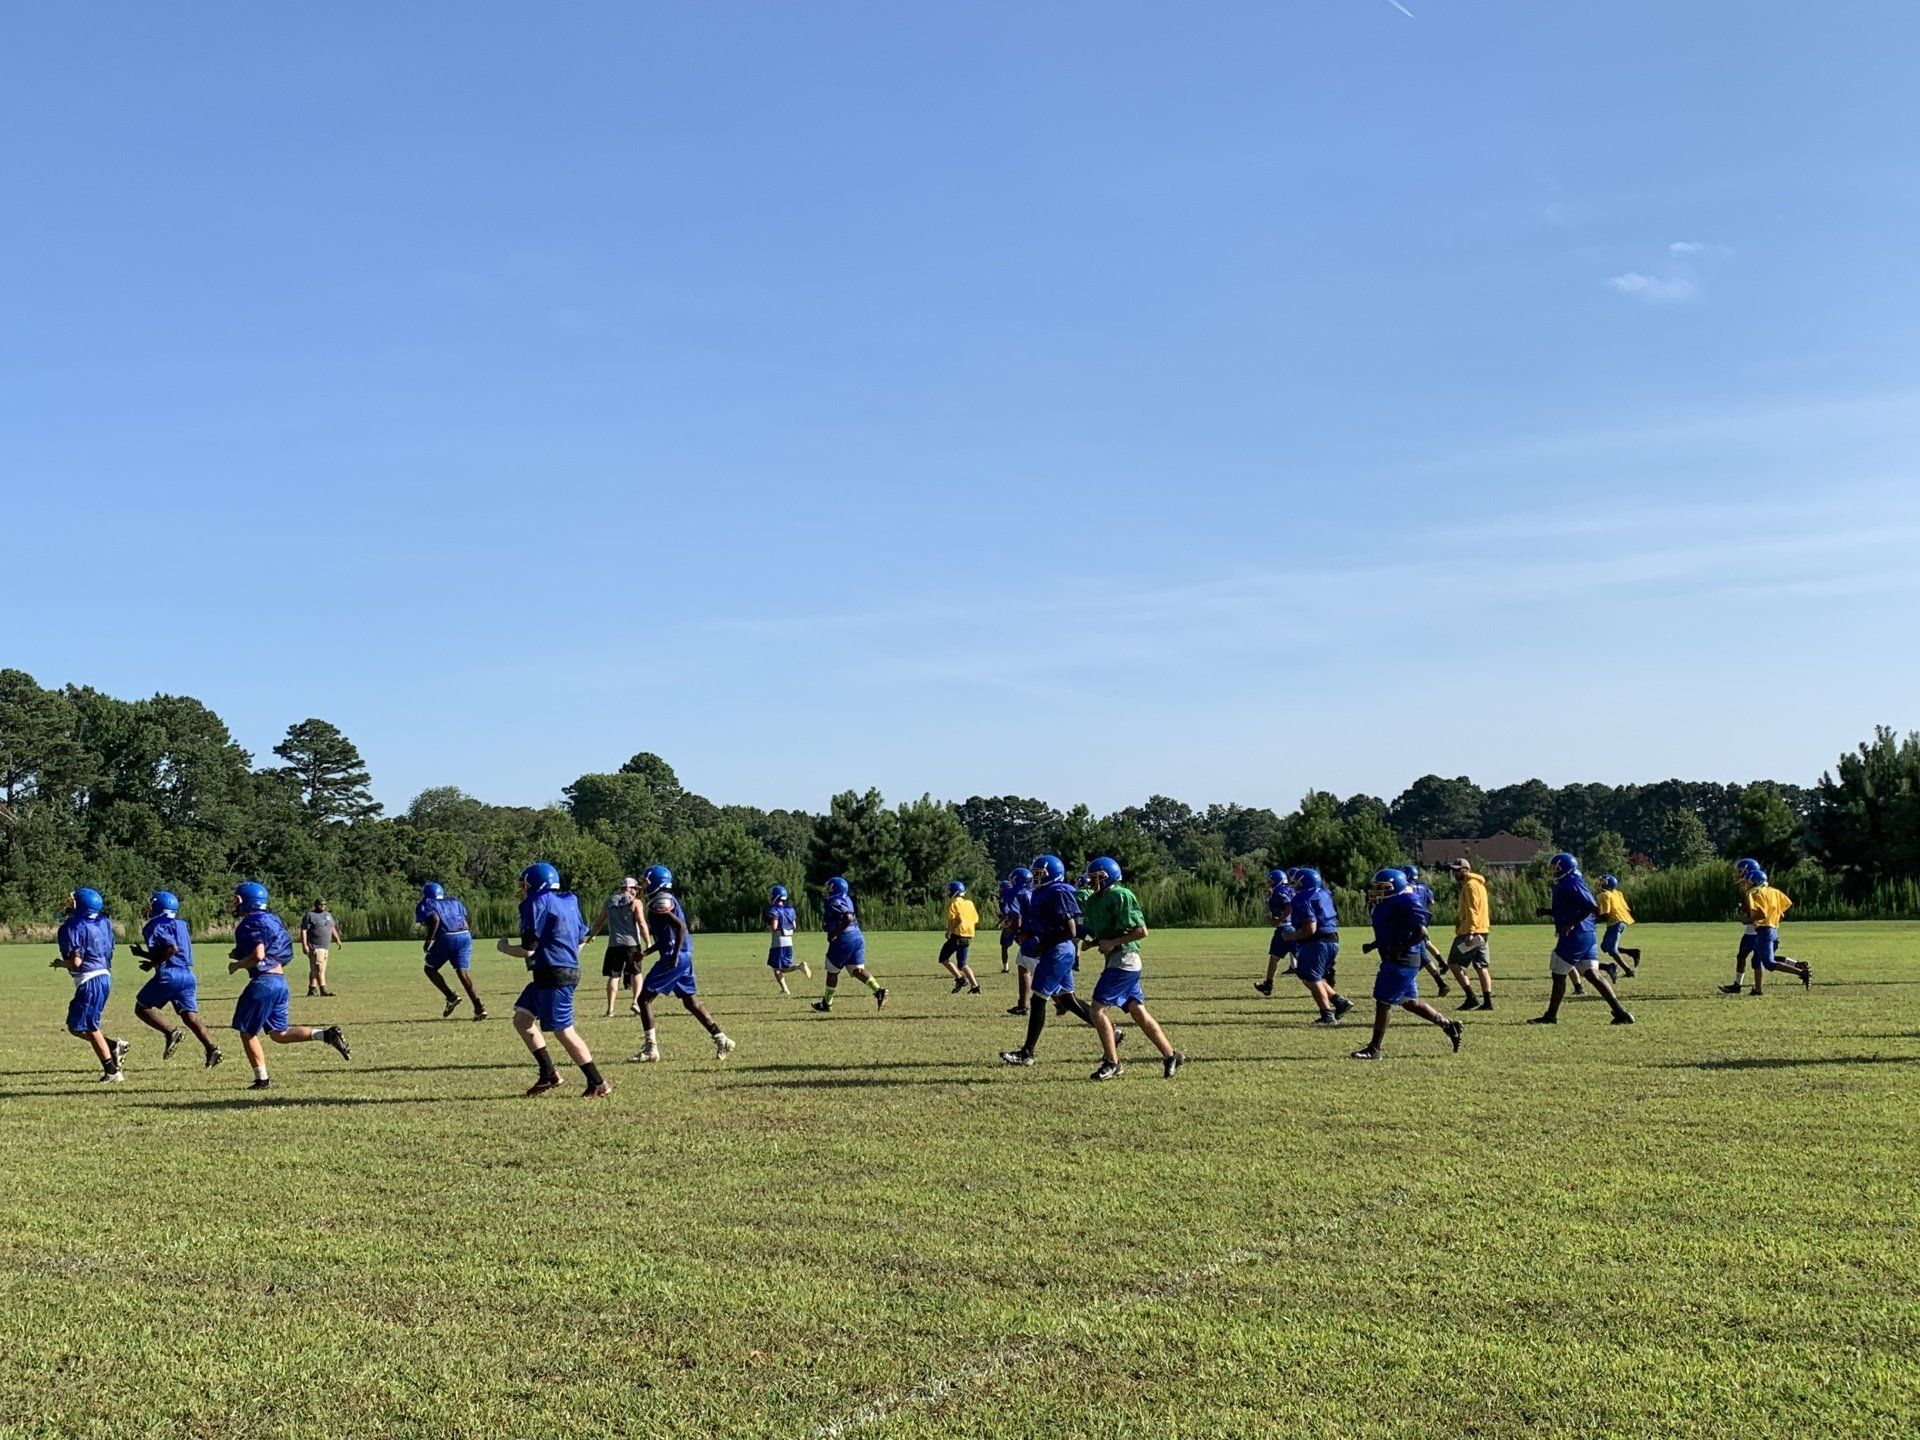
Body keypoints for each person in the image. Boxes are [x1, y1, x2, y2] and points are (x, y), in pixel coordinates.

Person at [498, 862, 609, 1097]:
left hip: (554, 974)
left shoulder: (537, 902)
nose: (523, 889)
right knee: (522, 1020)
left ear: (536, 885)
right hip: (553, 971)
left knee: (563, 1030)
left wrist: (505, 947)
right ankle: (548, 1074)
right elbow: (582, 938)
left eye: (525, 885)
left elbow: (528, 949)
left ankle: (597, 1082)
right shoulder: (568, 900)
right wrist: (567, 957)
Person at [227, 882, 352, 1090]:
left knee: (247, 1032)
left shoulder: (249, 923)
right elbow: (277, 952)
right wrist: (240, 953)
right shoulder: (272, 919)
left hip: (264, 983)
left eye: (237, 899)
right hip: (280, 982)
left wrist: (237, 965)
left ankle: (262, 1080)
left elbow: (258, 955)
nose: (234, 903)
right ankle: (326, 1034)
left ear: (246, 901)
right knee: (279, 1034)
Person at [1080, 857, 1184, 1080]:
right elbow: (1107, 932)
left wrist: (1113, 942)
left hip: (1125, 960)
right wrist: (1094, 943)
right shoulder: (1096, 899)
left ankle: (1112, 1063)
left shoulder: (1121, 895)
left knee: (1097, 1010)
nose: (1092, 882)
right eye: (1091, 878)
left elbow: (1141, 931)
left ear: (1109, 877)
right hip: (1116, 960)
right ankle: (1171, 1055)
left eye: (1097, 878)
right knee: (1137, 1011)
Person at [999, 855, 1107, 1066]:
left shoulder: (1058, 891)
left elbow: (1070, 930)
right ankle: (1111, 1031)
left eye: (1040, 874)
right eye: (1035, 874)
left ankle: (1027, 1053)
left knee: (1038, 999)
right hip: (1056, 948)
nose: (1037, 878)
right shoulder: (1043, 891)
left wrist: (1044, 944)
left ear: (1054, 873)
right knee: (1067, 999)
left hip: (1058, 950)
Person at [1349, 868, 1464, 1061]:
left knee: (1383, 1001)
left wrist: (1400, 948)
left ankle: (1374, 1048)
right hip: (1399, 957)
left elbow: (1421, 933)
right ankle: (1449, 1025)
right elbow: (1393, 930)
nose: (1376, 890)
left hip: (1402, 959)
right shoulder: (1388, 903)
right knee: (1409, 1002)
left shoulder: (1405, 901)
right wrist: (1374, 945)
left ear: (1395, 886)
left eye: (1382, 887)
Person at [629, 866, 737, 1061]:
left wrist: (674, 955)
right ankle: (722, 1039)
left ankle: (651, 1049)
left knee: (643, 1000)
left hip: (675, 957)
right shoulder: (666, 899)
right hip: (683, 955)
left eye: (646, 881)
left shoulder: (660, 902)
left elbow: (680, 927)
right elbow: (666, 937)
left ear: (656, 882)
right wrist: (646, 952)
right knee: (690, 1002)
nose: (643, 886)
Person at [1526, 854, 1634, 1028]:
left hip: (1577, 935)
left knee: (1558, 974)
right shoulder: (1566, 883)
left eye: (1556, 869)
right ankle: (1620, 1013)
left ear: (1566, 868)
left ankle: (1551, 1015)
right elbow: (1569, 909)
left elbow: (1591, 907)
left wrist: (1570, 924)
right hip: (1586, 934)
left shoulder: (1572, 883)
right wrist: (1547, 912)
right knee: (1592, 974)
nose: (1553, 872)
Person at [129, 890, 222, 1066]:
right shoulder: (181, 924)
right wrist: (143, 954)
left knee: (141, 1008)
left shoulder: (154, 925)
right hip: (187, 974)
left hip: (169, 975)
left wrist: (151, 964)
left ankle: (170, 1032)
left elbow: (171, 949)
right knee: (190, 1017)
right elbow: (172, 951)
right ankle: (212, 1048)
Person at [52, 887, 129, 1083]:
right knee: (75, 1027)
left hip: (90, 978)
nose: (69, 904)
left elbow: (76, 962)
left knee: (89, 1026)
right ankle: (113, 1046)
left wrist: (60, 963)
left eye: (73, 901)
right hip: (103, 975)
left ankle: (112, 1071)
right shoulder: (103, 922)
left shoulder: (72, 926)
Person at [1287, 866, 1354, 1026]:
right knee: (1310, 975)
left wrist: (1292, 936)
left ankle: (1327, 1016)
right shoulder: (1324, 893)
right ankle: (1339, 1002)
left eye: (1296, 882)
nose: (1294, 886)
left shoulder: (1302, 898)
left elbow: (1310, 928)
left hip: (1317, 941)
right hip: (1332, 939)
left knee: (1310, 978)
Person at [811, 876, 888, 1013]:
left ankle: (826, 1003)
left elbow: (848, 917)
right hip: (857, 936)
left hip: (844, 939)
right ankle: (879, 991)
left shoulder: (834, 901)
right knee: (857, 970)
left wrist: (835, 933)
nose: (826, 890)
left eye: (829, 888)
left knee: (832, 971)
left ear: (835, 889)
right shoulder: (847, 899)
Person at [417, 881, 488, 1020]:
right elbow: (464, 920)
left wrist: (428, 941)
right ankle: (479, 1008)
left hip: (447, 937)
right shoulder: (454, 901)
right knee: (463, 973)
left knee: (429, 969)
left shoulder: (427, 903)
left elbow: (435, 919)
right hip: (465, 935)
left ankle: (451, 997)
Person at [582, 877, 650, 1018]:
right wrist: (648, 942)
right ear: (629, 888)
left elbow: (599, 921)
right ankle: (636, 1002)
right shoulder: (635, 902)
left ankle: (610, 1009)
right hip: (632, 944)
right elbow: (642, 924)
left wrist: (592, 935)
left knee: (614, 976)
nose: (636, 891)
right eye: (634, 888)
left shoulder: (609, 901)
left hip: (614, 945)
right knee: (636, 973)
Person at [1739, 864, 1811, 996]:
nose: (1745, 885)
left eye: (1747, 882)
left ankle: (1801, 972)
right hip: (1773, 929)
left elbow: (1762, 914)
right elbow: (1781, 914)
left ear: (1754, 881)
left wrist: (1748, 920)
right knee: (1757, 960)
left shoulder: (1755, 892)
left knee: (1769, 963)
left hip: (1764, 930)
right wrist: (1772, 922)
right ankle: (1757, 990)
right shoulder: (1773, 891)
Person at [1443, 858, 1495, 1011]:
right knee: (1481, 966)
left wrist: (1470, 932)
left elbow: (1473, 910)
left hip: (1470, 932)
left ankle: (1471, 998)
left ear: (1466, 870)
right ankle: (1487, 1002)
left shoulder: (1470, 885)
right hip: (1483, 931)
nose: (1455, 873)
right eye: (1453, 870)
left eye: (1457, 870)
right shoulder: (1479, 884)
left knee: (1453, 963)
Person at [1402, 863, 1452, 996]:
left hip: (1412, 923)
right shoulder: (1423, 886)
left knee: (1422, 954)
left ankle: (1441, 983)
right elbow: (1431, 902)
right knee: (1426, 944)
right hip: (1423, 920)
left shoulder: (1406, 888)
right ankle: (1441, 966)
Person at [1253, 867, 1296, 995]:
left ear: (1278, 880)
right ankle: (1268, 984)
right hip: (1291, 926)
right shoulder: (1289, 889)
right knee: (1274, 957)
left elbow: (1290, 905)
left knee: (1303, 962)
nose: (1268, 884)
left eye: (1270, 881)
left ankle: (1326, 979)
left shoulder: (1279, 892)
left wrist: (1281, 918)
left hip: (1285, 928)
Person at [937, 881, 982, 994]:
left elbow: (958, 919)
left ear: (954, 891)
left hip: (957, 935)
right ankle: (975, 985)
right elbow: (975, 919)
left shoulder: (954, 903)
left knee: (943, 958)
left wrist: (949, 931)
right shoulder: (969, 903)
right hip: (968, 936)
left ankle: (960, 979)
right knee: (962, 964)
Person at [1002, 866, 1036, 1013]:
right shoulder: (1033, 892)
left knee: (1040, 975)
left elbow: (1018, 918)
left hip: (1030, 936)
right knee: (1022, 967)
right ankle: (1022, 1005)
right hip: (1034, 933)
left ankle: (1062, 1003)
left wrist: (1010, 930)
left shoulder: (1016, 894)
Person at [764, 884, 808, 995]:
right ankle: (797, 968)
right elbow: (794, 925)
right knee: (783, 968)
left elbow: (774, 927)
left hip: (778, 941)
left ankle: (785, 989)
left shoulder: (774, 910)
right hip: (789, 941)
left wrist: (769, 927)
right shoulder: (790, 909)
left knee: (776, 968)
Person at [1595, 875, 1641, 978]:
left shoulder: (1604, 895)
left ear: (1607, 884)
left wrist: (1593, 918)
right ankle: (1632, 952)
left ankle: (1628, 971)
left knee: (1611, 949)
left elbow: (1605, 914)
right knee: (1605, 946)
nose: (1600, 883)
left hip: (1615, 922)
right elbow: (1626, 908)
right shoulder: (1617, 893)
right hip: (1622, 921)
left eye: (1602, 882)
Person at [298, 900, 342, 997]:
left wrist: (337, 939)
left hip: (325, 946)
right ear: (316, 905)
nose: (323, 906)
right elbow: (304, 930)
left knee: (317, 969)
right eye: (321, 904)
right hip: (315, 946)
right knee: (319, 969)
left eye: (324, 904)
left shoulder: (328, 915)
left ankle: (312, 989)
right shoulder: (310, 915)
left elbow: (332, 927)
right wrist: (304, 945)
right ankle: (323, 989)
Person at [996, 876, 1022, 975]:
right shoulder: (1004, 899)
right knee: (1004, 946)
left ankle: (1034, 963)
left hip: (1015, 926)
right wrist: (1000, 921)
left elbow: (1016, 914)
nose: (1000, 890)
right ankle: (1005, 968)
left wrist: (1014, 928)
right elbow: (1007, 913)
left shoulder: (1011, 898)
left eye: (1001, 888)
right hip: (1010, 925)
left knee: (1026, 946)